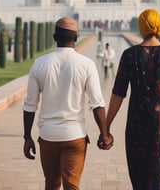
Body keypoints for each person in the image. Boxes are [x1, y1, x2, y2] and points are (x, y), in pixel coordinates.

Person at [99, 9, 160, 190]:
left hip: (137, 126)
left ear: (141, 27)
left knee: (139, 182)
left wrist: (106, 127)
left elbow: (118, 95)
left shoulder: (129, 55)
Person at [23, 16, 113, 190]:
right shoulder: (86, 64)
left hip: (48, 135)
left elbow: (30, 105)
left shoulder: (40, 64)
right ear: (76, 37)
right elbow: (97, 103)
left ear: (55, 37)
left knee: (51, 184)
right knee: (72, 186)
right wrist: (104, 134)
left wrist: (27, 137)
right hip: (75, 135)